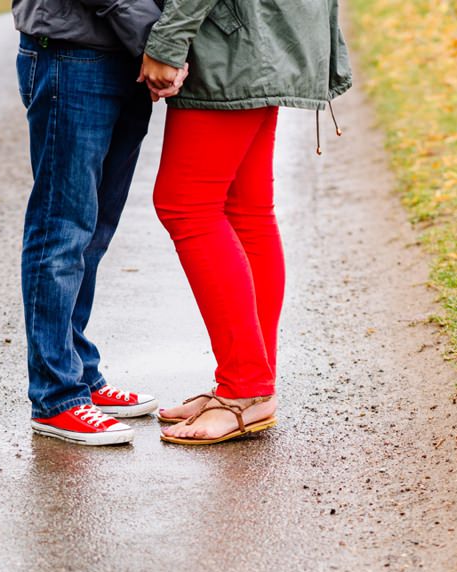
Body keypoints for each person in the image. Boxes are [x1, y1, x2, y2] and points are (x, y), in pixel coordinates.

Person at [140, 0, 352, 446]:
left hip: (236, 41)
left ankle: (245, 387)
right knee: (245, 210)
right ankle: (249, 386)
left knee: (186, 204)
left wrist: (168, 40)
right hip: (264, 36)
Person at [12, 0, 187, 446]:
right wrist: (158, 40)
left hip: (126, 56)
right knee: (62, 230)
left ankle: (80, 375)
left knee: (92, 234)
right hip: (71, 56)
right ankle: (56, 398)